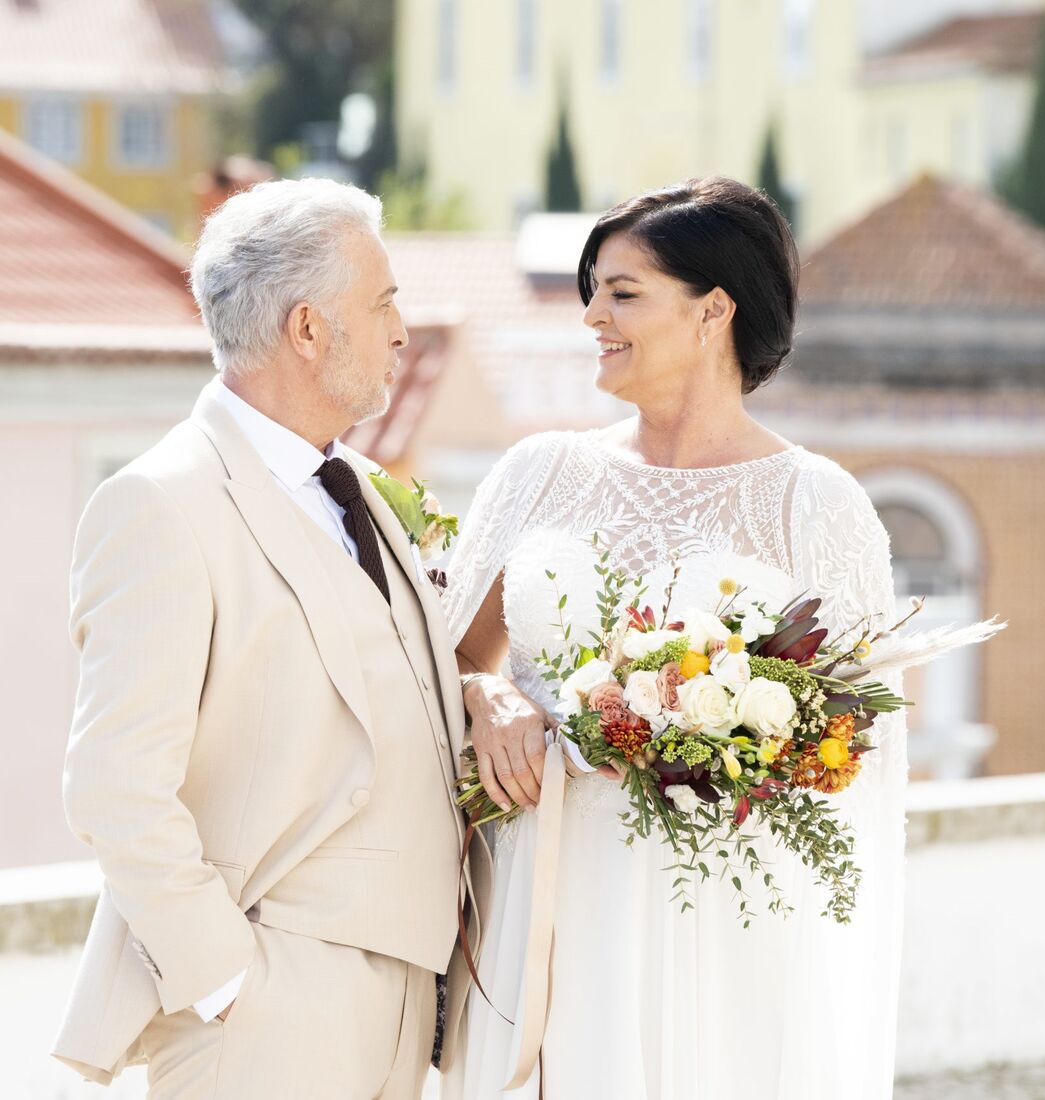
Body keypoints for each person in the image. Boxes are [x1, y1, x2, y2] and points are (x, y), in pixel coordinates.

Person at [446, 177, 906, 1099]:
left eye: (622, 293)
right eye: (592, 291)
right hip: (550, 897)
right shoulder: (540, 473)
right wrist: (483, 693)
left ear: (713, 311)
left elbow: (859, 746)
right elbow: (440, 655)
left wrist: (721, 737)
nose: (590, 317)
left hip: (728, 919)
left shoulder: (816, 505)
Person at [52, 178, 490, 1098]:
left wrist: (485, 696)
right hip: (266, 1012)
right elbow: (115, 783)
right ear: (306, 328)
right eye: (382, 304)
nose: (402, 331)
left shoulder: (361, 488)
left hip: (409, 1003)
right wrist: (227, 981)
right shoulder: (160, 503)